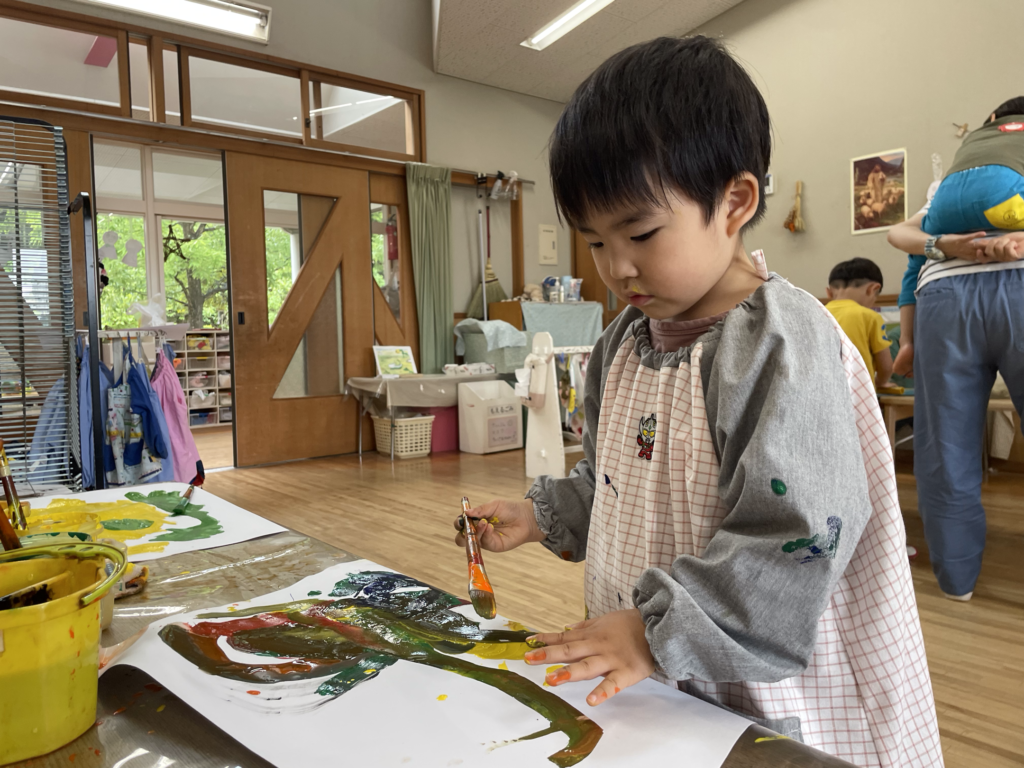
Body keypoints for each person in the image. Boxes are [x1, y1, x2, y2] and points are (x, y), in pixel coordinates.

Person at [453, 36, 941, 766]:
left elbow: (795, 537)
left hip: (762, 687)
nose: (618, 267)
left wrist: (652, 630)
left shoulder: (779, 343)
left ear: (735, 202)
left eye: (641, 232)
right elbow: (618, 484)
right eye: (595, 242)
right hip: (657, 673)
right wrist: (539, 516)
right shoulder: (623, 344)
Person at [885, 98, 1024, 603]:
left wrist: (908, 339)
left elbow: (904, 245)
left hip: (942, 298)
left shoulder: (947, 187)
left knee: (944, 447)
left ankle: (957, 580)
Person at [888, 96, 1024, 378]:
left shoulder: (950, 184)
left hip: (941, 295)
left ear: (991, 121)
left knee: (916, 258)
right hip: (1014, 286)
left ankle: (908, 342)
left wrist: (936, 244)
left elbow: (899, 234)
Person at [824, 258, 893, 390]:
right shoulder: (871, 317)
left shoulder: (816, 312)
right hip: (859, 392)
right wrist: (881, 382)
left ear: (829, 292)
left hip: (824, 391)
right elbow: (885, 365)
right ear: (872, 289)